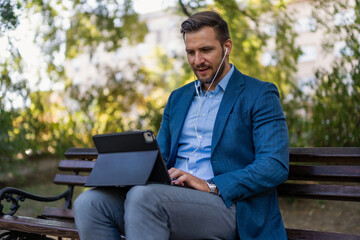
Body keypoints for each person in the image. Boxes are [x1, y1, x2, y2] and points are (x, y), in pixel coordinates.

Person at [74, 11, 289, 240]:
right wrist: (125, 170)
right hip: (171, 196)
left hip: (229, 205)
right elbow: (161, 157)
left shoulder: (259, 94)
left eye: (206, 50)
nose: (197, 60)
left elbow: (274, 165)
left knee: (144, 198)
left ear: (227, 47)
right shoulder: (178, 98)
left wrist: (211, 185)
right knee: (90, 203)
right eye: (191, 52)